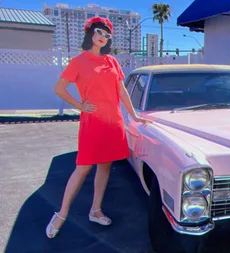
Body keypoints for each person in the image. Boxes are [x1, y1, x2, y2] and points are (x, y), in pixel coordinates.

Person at [46, 16, 151, 239]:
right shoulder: (78, 62)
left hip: (113, 122)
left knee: (105, 167)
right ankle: (62, 213)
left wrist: (134, 116)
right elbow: (59, 88)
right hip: (92, 123)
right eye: (99, 33)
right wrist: (80, 106)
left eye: (107, 35)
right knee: (83, 168)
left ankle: (96, 210)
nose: (102, 38)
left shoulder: (112, 62)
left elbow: (122, 92)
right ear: (90, 33)